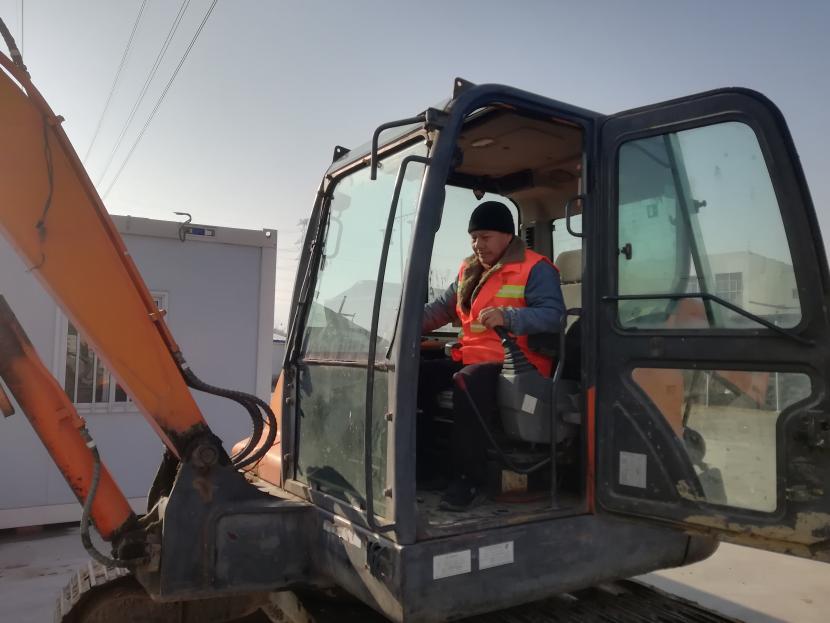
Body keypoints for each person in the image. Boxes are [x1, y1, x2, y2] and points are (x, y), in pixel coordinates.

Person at [420, 200, 565, 510]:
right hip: (472, 357)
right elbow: (442, 309)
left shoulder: (534, 268)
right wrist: (403, 324)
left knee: (467, 383)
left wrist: (509, 317)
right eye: (473, 238)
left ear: (507, 236)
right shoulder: (469, 270)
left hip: (518, 363)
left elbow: (554, 316)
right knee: (417, 375)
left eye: (485, 237)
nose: (477, 245)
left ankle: (468, 480)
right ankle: (428, 467)